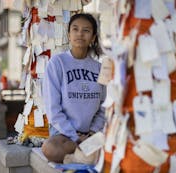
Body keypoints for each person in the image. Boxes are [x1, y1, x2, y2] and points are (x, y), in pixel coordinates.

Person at [42, 13, 106, 163]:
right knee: (50, 148)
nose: (80, 34)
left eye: (86, 30)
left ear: (93, 37)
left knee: (113, 147)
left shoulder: (99, 68)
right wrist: (75, 137)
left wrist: (92, 133)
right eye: (75, 29)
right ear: (69, 34)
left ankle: (79, 155)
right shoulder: (57, 63)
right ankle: (83, 154)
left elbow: (103, 107)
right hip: (64, 135)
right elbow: (53, 109)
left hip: (91, 134)